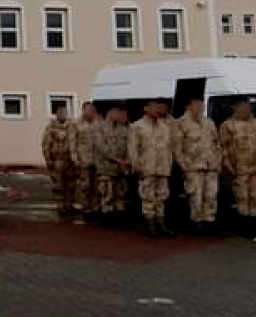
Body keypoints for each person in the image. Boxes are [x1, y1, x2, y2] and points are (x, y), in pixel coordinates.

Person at [219, 96, 256, 234]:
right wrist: (227, 165)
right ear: (236, 108)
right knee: (242, 196)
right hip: (239, 168)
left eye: (248, 107)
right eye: (243, 107)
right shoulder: (227, 125)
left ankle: (254, 223)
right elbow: (223, 147)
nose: (246, 109)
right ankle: (243, 223)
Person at [173, 96, 222, 235]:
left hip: (210, 166)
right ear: (188, 106)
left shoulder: (209, 122)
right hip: (193, 166)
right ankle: (196, 222)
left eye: (202, 105)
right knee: (195, 195)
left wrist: (218, 162)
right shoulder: (180, 123)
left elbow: (217, 144)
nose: (200, 108)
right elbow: (177, 147)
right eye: (197, 105)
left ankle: (209, 221)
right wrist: (183, 165)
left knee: (211, 195)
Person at [129, 99, 175, 238]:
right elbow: (133, 148)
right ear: (146, 109)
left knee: (162, 196)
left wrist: (170, 163)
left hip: (163, 166)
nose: (157, 110)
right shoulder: (137, 126)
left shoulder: (165, 126)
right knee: (148, 197)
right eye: (154, 107)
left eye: (158, 108)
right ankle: (150, 225)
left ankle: (161, 223)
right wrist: (136, 165)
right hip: (146, 166)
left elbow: (169, 147)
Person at [92, 102, 131, 226]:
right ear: (109, 112)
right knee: (107, 193)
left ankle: (119, 216)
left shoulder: (123, 129)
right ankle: (107, 217)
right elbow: (102, 148)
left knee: (120, 193)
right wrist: (117, 159)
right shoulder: (99, 128)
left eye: (120, 112)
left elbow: (129, 146)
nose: (118, 115)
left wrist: (128, 159)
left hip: (120, 169)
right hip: (106, 168)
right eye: (116, 112)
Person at [41, 105, 76, 217]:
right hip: (57, 160)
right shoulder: (51, 128)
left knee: (71, 185)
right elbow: (45, 145)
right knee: (59, 186)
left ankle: (69, 205)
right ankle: (61, 207)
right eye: (60, 113)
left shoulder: (72, 126)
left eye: (65, 113)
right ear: (56, 114)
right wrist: (48, 159)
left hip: (70, 160)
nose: (63, 115)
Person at [70, 101, 101, 220]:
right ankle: (87, 209)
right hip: (83, 160)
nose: (91, 112)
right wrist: (75, 159)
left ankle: (95, 209)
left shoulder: (98, 123)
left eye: (92, 110)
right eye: (88, 110)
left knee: (97, 187)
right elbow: (72, 142)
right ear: (83, 110)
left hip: (97, 160)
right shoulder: (76, 124)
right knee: (85, 187)